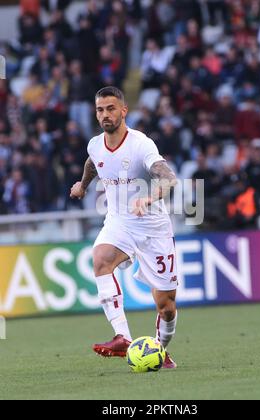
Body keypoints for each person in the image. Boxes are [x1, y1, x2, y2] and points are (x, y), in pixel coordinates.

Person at [70, 86, 178, 369]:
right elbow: (93, 163)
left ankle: (160, 350)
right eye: (100, 110)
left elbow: (169, 179)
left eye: (110, 109)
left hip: (153, 227)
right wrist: (82, 186)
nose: (105, 115)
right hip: (119, 221)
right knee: (101, 259)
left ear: (123, 110)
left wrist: (149, 197)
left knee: (166, 306)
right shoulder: (94, 144)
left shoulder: (141, 144)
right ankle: (123, 337)